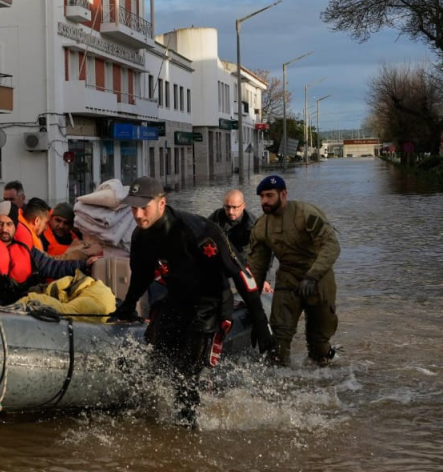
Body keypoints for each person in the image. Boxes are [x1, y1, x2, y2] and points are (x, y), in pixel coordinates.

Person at [111, 176, 275, 427]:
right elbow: (141, 278)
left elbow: (241, 274)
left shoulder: (198, 231)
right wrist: (125, 308)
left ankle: (187, 428)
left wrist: (261, 323)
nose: (138, 214)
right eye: (133, 207)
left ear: (162, 203)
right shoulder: (141, 238)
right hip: (177, 298)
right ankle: (158, 419)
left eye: (144, 207)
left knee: (185, 372)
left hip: (210, 303)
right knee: (157, 358)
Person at [247, 175, 340, 367]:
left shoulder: (305, 214)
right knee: (278, 342)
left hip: (318, 277)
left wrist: (312, 277)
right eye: (262, 196)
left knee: (318, 346)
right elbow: (257, 267)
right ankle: (281, 385)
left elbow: (331, 246)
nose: (264, 201)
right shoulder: (261, 227)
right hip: (288, 279)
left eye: (269, 196)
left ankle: (324, 371)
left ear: (283, 194)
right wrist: (252, 301)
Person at [0, 200, 94, 311]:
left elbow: (52, 266)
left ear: (16, 226)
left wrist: (84, 264)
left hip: (17, 309)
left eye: (9, 224)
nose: (4, 229)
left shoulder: (26, 247)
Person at [207, 189, 256, 263]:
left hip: (242, 261)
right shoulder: (217, 215)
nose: (230, 212)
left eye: (235, 207)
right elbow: (204, 231)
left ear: (243, 206)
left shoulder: (251, 225)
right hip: (220, 256)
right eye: (227, 207)